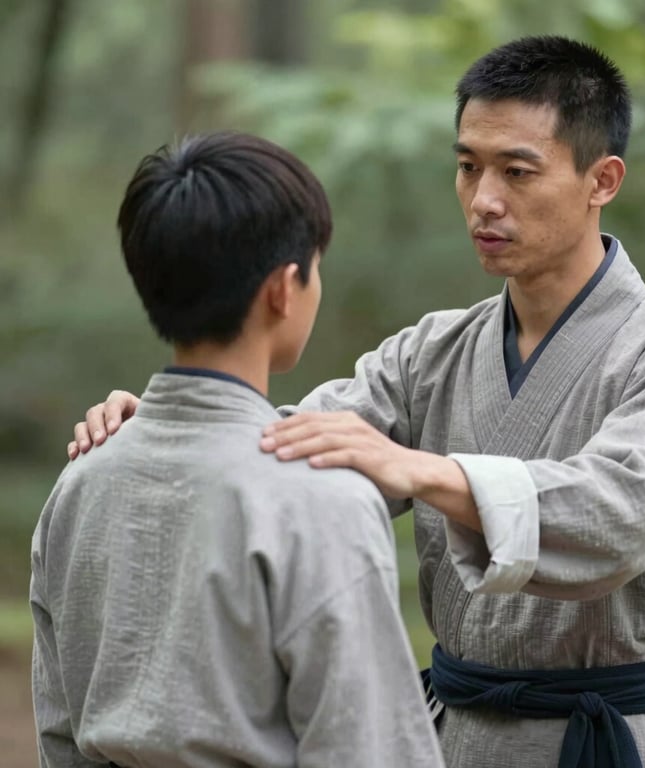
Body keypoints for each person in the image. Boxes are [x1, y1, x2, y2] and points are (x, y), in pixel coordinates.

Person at [68, 36, 645, 768]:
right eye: (467, 167)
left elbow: (619, 515)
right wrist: (171, 422)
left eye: (517, 171)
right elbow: (294, 445)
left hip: (605, 739)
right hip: (451, 735)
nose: (484, 200)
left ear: (601, 179)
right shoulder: (431, 352)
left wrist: (420, 471)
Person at [32, 131, 445, 768]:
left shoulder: (84, 479)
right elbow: (369, 747)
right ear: (284, 288)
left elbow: (60, 729)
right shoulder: (323, 495)